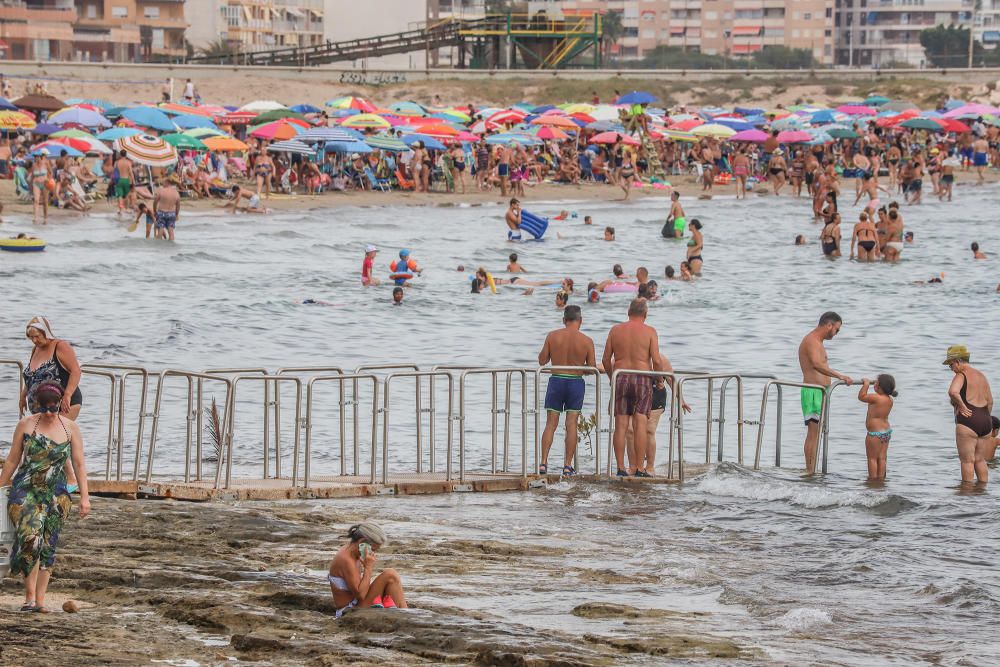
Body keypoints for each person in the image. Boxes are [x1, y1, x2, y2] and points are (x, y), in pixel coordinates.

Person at [0, 380, 91, 614]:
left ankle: (40, 601)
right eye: (44, 408)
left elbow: (79, 465)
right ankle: (29, 598)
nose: (49, 413)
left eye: (54, 408)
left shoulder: (71, 428)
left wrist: (84, 497)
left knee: (48, 545)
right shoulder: (25, 425)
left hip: (57, 493)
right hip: (25, 490)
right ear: (36, 405)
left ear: (61, 404)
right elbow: (12, 461)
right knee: (31, 540)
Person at [602, 298, 688, 477]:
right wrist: (657, 380)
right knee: (641, 425)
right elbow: (656, 360)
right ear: (645, 314)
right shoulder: (650, 331)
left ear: (628, 312)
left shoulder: (615, 330)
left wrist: (612, 378)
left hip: (621, 377)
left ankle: (620, 468)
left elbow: (605, 360)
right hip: (642, 379)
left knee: (621, 426)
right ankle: (640, 468)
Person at [537, 305, 596, 476]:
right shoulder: (587, 340)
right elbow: (592, 368)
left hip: (556, 380)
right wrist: (578, 367)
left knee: (550, 424)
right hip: (575, 383)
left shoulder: (553, 336)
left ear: (564, 320)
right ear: (581, 321)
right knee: (571, 425)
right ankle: (567, 466)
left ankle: (543, 463)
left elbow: (542, 360)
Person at [798, 312, 853, 474]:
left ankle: (812, 469)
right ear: (829, 325)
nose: (836, 334)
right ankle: (810, 471)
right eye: (837, 330)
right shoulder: (812, 341)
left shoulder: (818, 342)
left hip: (820, 392)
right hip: (813, 392)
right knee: (813, 434)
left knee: (816, 434)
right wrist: (840, 376)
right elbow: (816, 364)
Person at [328, 522, 407, 618]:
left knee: (391, 579)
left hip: (357, 604)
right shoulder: (346, 560)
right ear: (362, 542)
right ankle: (405, 616)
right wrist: (368, 568)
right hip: (349, 611)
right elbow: (361, 596)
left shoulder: (352, 553)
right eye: (373, 549)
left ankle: (404, 615)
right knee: (390, 575)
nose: (373, 553)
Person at [944, 345, 993, 484]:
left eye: (951, 364)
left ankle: (966, 499)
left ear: (958, 361)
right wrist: (985, 418)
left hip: (968, 422)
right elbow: (990, 401)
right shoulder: (982, 375)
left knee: (967, 461)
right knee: (980, 459)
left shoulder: (961, 375)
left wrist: (962, 406)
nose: (951, 368)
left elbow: (953, 392)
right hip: (985, 421)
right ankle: (982, 492)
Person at [858, 375, 897, 481]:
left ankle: (873, 481)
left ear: (879, 387)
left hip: (874, 434)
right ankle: (880, 480)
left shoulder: (876, 398)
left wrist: (866, 384)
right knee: (882, 458)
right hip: (886, 432)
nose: (873, 383)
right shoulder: (889, 400)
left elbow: (861, 397)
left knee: (872, 458)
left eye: (875, 383)